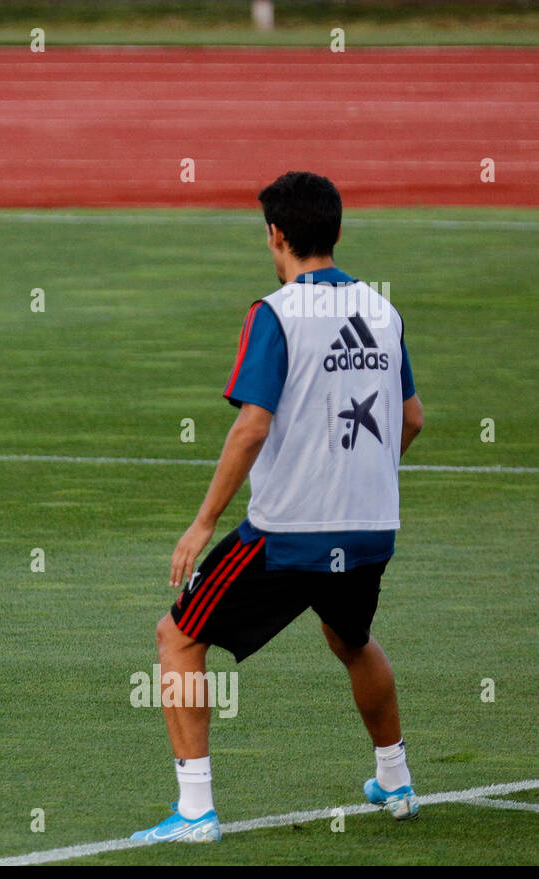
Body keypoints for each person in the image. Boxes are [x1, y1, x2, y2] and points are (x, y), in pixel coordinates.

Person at [131, 171, 424, 842]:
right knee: (350, 638)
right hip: (372, 527)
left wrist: (203, 522)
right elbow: (411, 419)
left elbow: (252, 426)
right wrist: (364, 482)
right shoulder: (383, 311)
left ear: (275, 235)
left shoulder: (276, 312)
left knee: (177, 637)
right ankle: (397, 780)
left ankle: (196, 811)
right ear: (338, 232)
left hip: (290, 533)